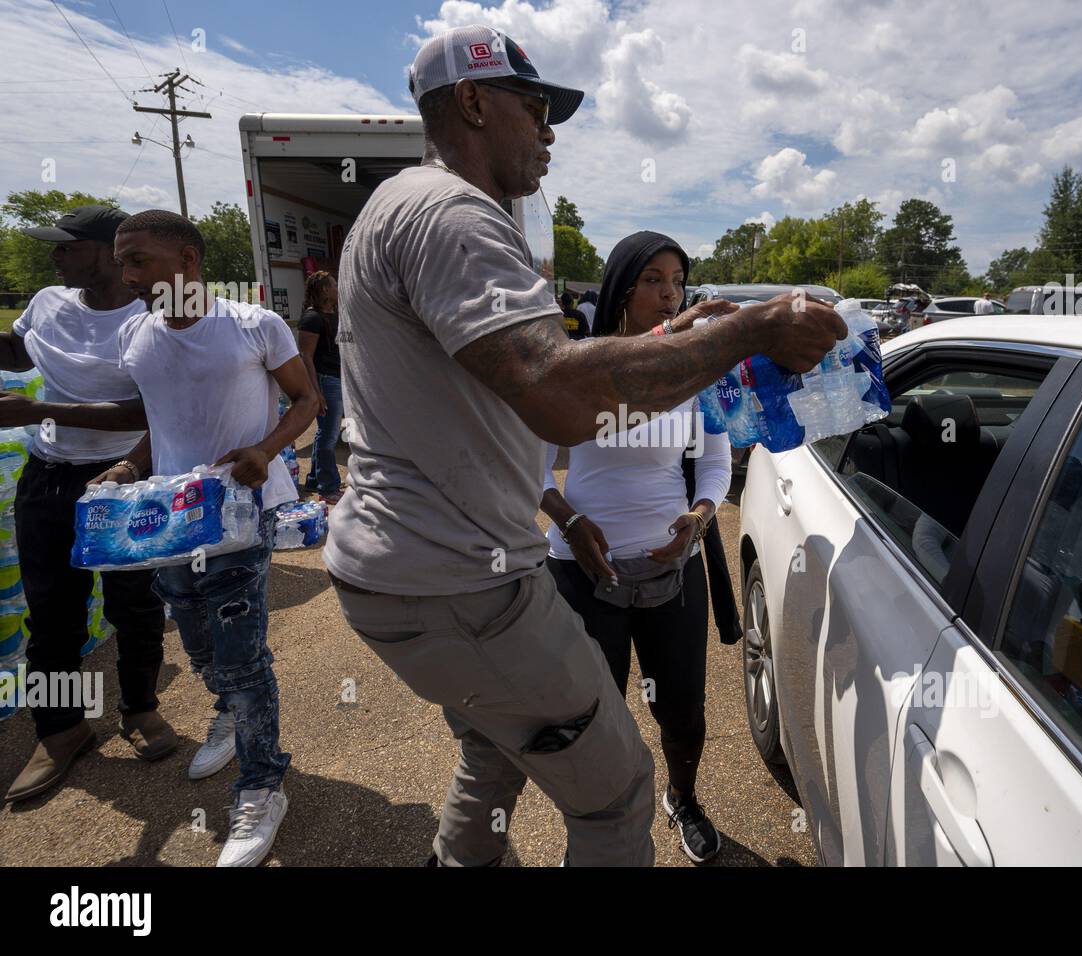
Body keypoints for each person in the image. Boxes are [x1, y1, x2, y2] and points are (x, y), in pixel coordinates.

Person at [322, 24, 844, 868]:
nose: (550, 130)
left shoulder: (401, 204)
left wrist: (686, 343)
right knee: (616, 790)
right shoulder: (451, 212)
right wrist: (751, 329)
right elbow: (562, 395)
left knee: (496, 747)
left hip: (411, 567)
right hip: (461, 578)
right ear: (471, 102)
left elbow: (556, 395)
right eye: (535, 108)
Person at [106, 209, 318, 867]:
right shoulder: (135, 336)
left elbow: (309, 402)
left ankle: (261, 786)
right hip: (169, 521)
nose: (127, 274)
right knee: (195, 640)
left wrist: (267, 450)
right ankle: (227, 711)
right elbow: (162, 420)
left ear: (189, 260)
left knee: (243, 653)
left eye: (139, 259)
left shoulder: (255, 326)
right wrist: (130, 465)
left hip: (239, 517)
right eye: (122, 260)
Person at [541, 231, 732, 862]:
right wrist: (568, 520)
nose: (668, 293)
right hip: (581, 571)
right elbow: (529, 465)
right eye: (652, 279)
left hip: (670, 568)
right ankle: (607, 823)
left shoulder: (692, 368)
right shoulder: (582, 364)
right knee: (593, 715)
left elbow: (714, 460)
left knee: (682, 709)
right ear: (622, 287)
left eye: (677, 280)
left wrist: (699, 518)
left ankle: (684, 798)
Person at [0, 205, 175, 804]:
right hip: (47, 479)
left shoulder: (148, 318)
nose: (55, 257)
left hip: (121, 480)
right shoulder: (48, 302)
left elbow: (146, 414)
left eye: (67, 247)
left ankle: (140, 710)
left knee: (134, 604)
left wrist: (37, 411)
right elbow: (20, 354)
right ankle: (61, 730)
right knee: (51, 613)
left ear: (106, 251)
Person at [297, 271, 345, 503]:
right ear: (324, 290)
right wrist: (316, 392)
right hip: (326, 381)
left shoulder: (331, 314)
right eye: (334, 284)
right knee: (329, 436)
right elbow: (306, 357)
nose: (337, 288)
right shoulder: (312, 318)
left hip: (335, 379)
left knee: (322, 433)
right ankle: (329, 488)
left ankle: (316, 479)